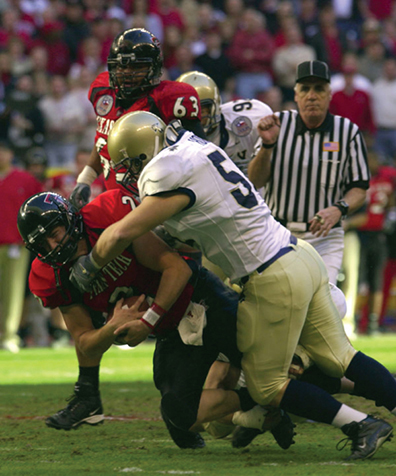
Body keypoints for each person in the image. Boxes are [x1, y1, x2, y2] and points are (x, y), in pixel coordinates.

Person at [69, 110, 396, 461]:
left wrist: (89, 267)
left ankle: (359, 424)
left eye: (130, 165)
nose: (130, 174)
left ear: (143, 153)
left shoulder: (165, 171)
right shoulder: (196, 149)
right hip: (298, 254)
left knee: (266, 385)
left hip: (271, 273)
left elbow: (121, 232)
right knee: (340, 357)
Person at [17, 190, 294, 449]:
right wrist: (111, 329)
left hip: (197, 298)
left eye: (54, 233)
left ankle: (317, 404)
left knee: (277, 363)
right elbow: (86, 343)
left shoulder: (106, 217)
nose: (53, 246)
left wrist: (147, 321)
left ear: (70, 220)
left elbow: (177, 268)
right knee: (179, 417)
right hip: (171, 328)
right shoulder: (49, 275)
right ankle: (261, 406)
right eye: (42, 244)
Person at [248, 60, 370, 289]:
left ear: (329, 94)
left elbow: (359, 188)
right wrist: (267, 146)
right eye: (305, 89)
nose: (312, 96)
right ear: (296, 95)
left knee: (327, 300)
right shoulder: (277, 124)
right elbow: (255, 180)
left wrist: (338, 209)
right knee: (279, 299)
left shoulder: (348, 132)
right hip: (279, 232)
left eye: (319, 89)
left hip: (326, 238)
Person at [69, 27, 205, 209]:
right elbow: (105, 137)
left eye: (137, 66)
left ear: (154, 68)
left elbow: (200, 155)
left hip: (155, 201)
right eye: (121, 65)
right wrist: (86, 179)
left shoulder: (168, 99)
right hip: (116, 198)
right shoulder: (103, 91)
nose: (127, 72)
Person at [175, 71, 272, 176]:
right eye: (187, 112)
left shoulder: (251, 117)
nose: (195, 117)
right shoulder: (171, 139)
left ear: (215, 106)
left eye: (201, 110)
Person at [0, 141, 43, 353]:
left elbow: (37, 208)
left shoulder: (24, 180)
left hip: (14, 245)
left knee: (13, 292)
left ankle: (9, 335)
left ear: (10, 154)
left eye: (4, 151)